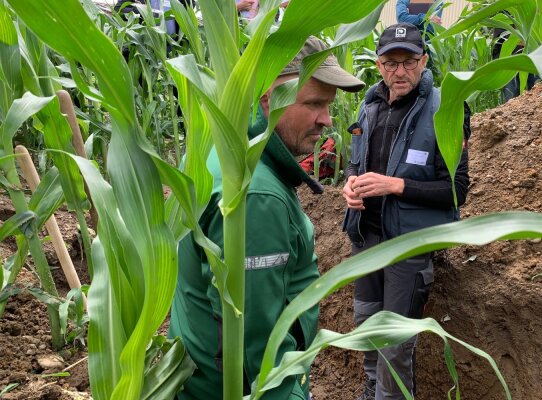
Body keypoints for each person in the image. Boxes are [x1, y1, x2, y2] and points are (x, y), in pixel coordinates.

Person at [169, 37, 364, 400]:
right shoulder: (256, 197)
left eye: (329, 105)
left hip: (197, 375)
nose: (326, 119)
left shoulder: (217, 144)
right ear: (267, 99)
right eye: (314, 104)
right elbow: (258, 344)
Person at [342, 22, 470, 400]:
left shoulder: (446, 108)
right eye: (390, 62)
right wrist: (350, 185)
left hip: (408, 246)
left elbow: (456, 190)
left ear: (424, 61)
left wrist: (395, 185)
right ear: (379, 65)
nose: (400, 71)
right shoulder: (369, 105)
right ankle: (371, 391)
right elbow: (354, 164)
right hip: (366, 238)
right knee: (366, 326)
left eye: (409, 61)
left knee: (395, 346)